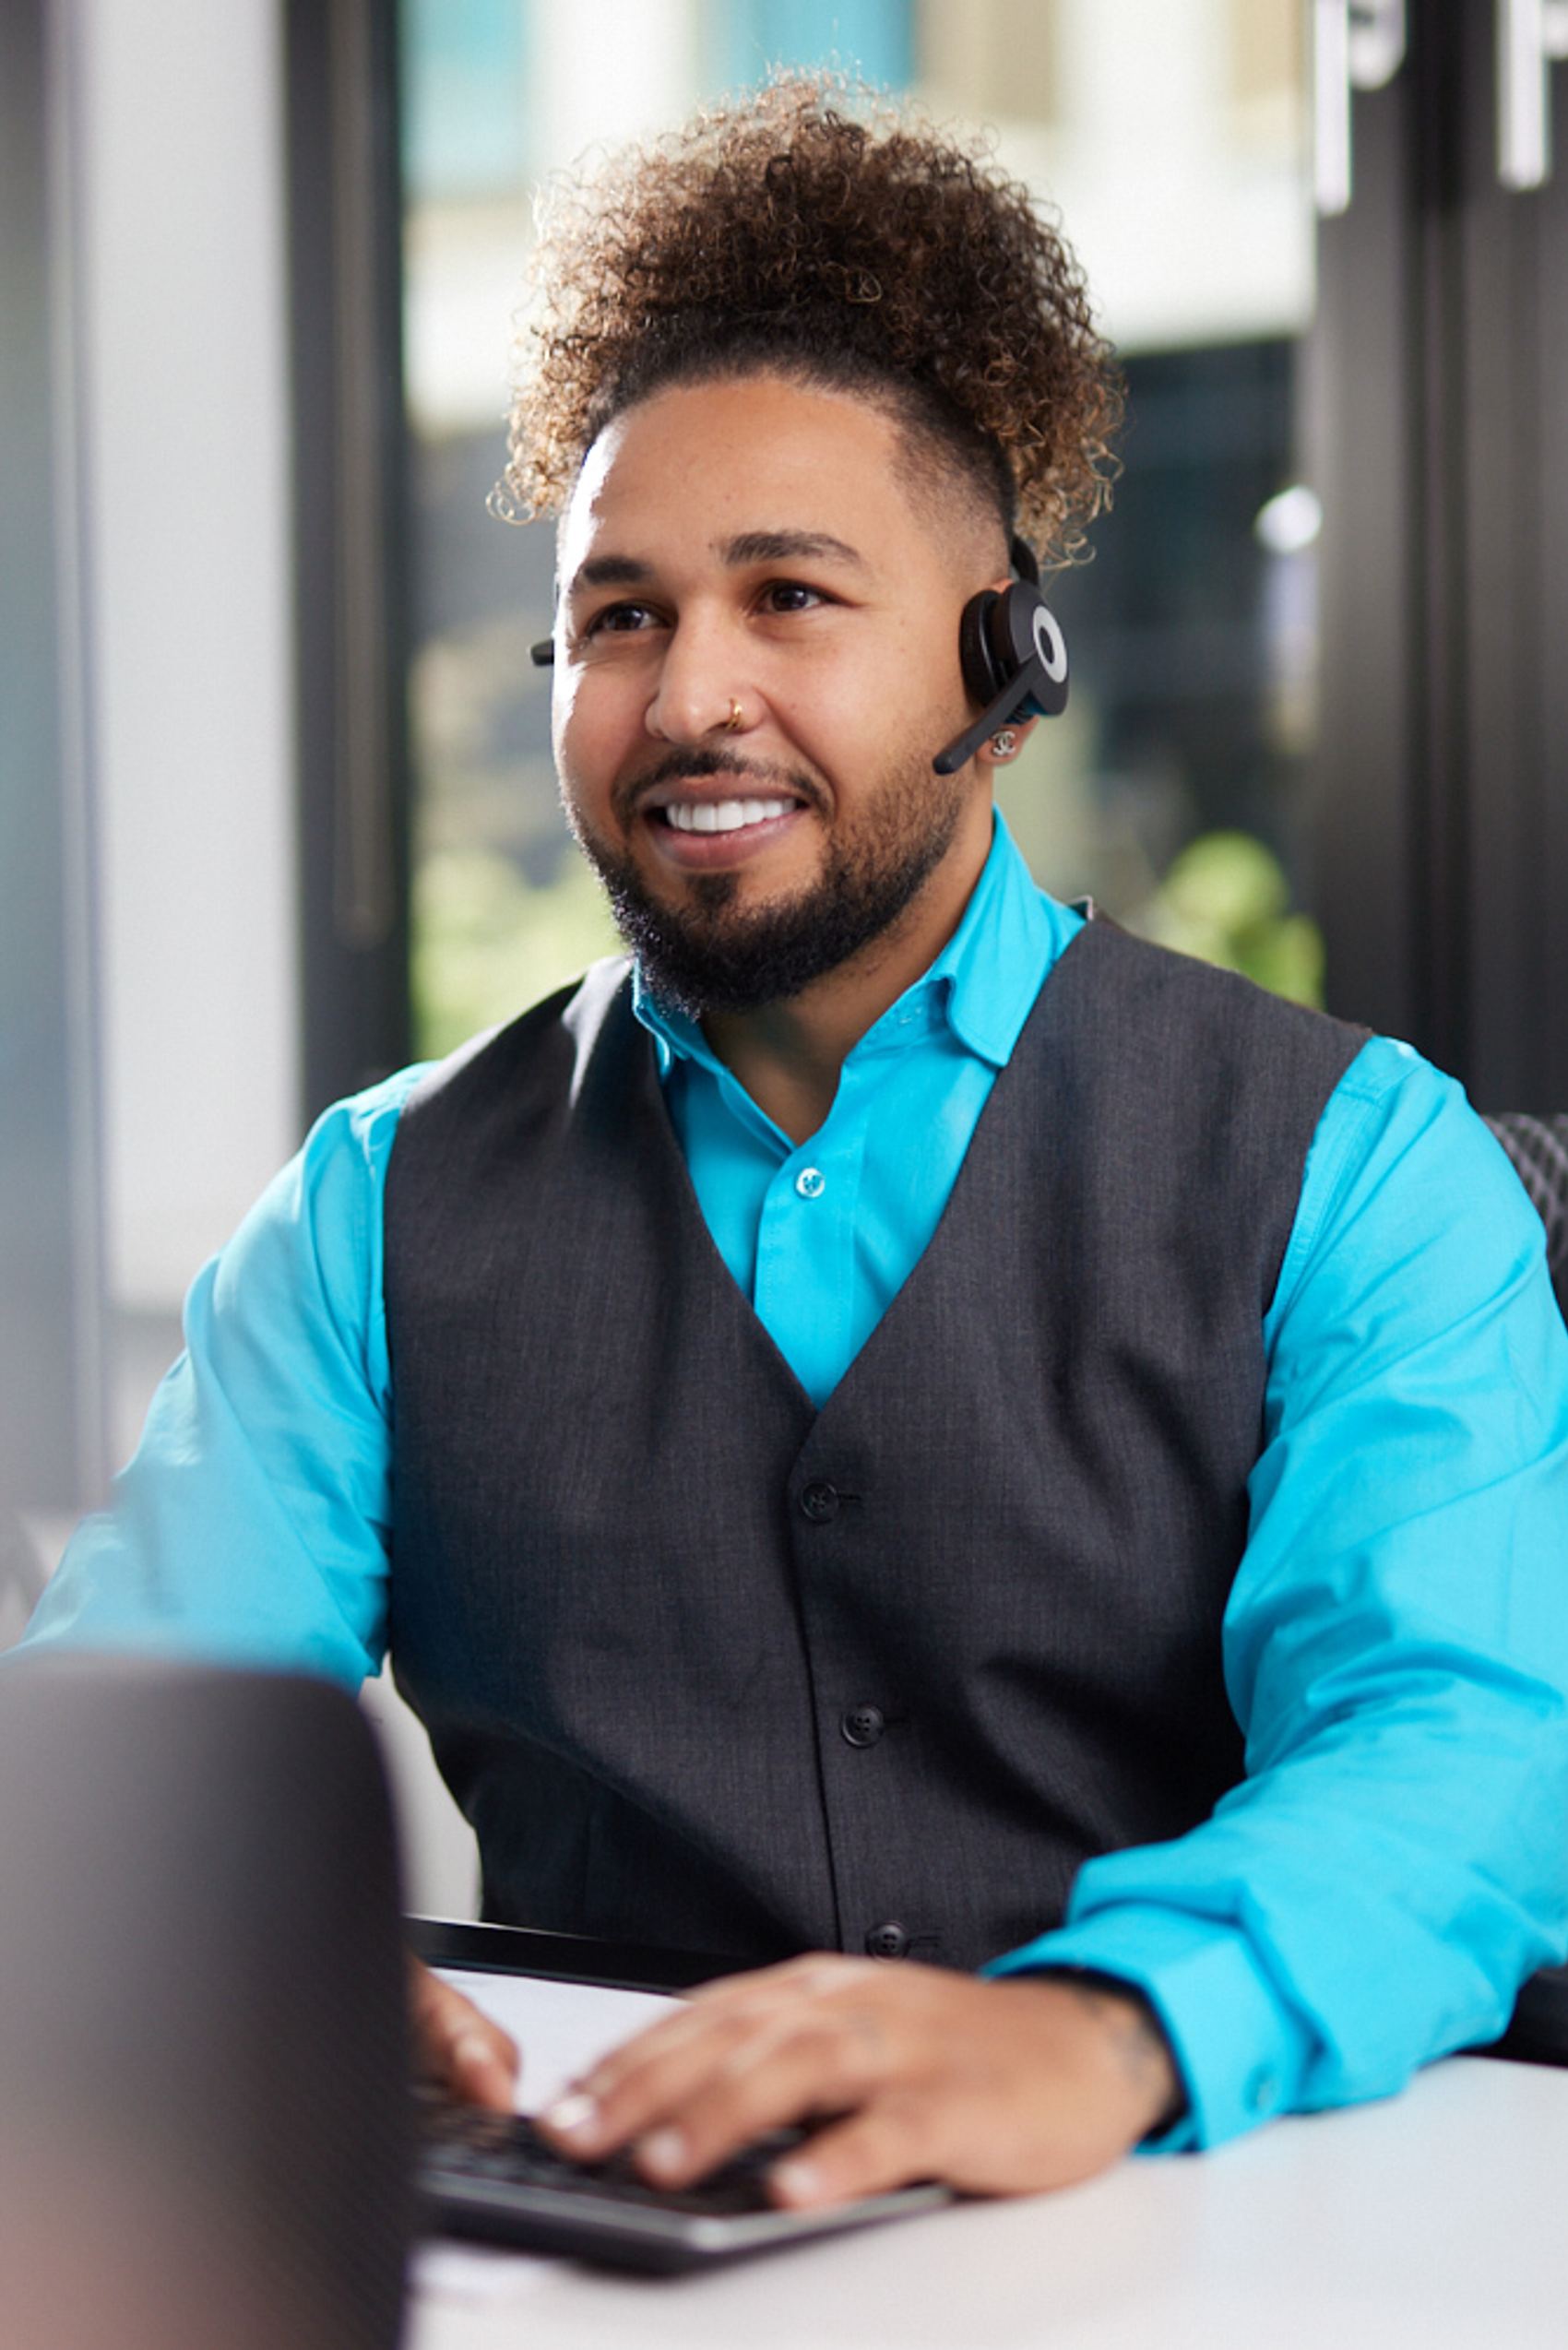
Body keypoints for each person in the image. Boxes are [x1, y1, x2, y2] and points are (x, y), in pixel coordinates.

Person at [19, 79, 1568, 2213]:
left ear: (1003, 664)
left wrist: (1098, 2028)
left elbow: (1464, 1753)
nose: (687, 697)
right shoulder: (376, 1208)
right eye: (622, 614)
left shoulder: (1358, 1164)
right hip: (603, 2232)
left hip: (1208, 2225)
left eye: (791, 597)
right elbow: (137, 1719)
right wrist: (220, 1926)